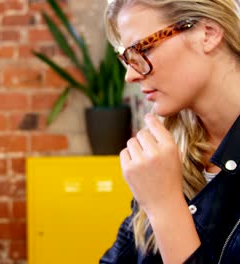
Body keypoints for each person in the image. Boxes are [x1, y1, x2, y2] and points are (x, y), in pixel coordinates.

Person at [100, 0, 239, 263]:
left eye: (142, 48)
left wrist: (166, 208)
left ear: (207, 34)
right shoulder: (168, 149)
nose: (130, 75)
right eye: (126, 57)